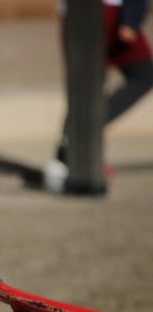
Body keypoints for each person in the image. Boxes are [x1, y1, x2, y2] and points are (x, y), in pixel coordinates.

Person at [45, 0, 153, 191]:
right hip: (105, 12)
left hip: (79, 13)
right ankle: (71, 153)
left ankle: (67, 153)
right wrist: (132, 17)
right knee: (92, 87)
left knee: (88, 88)